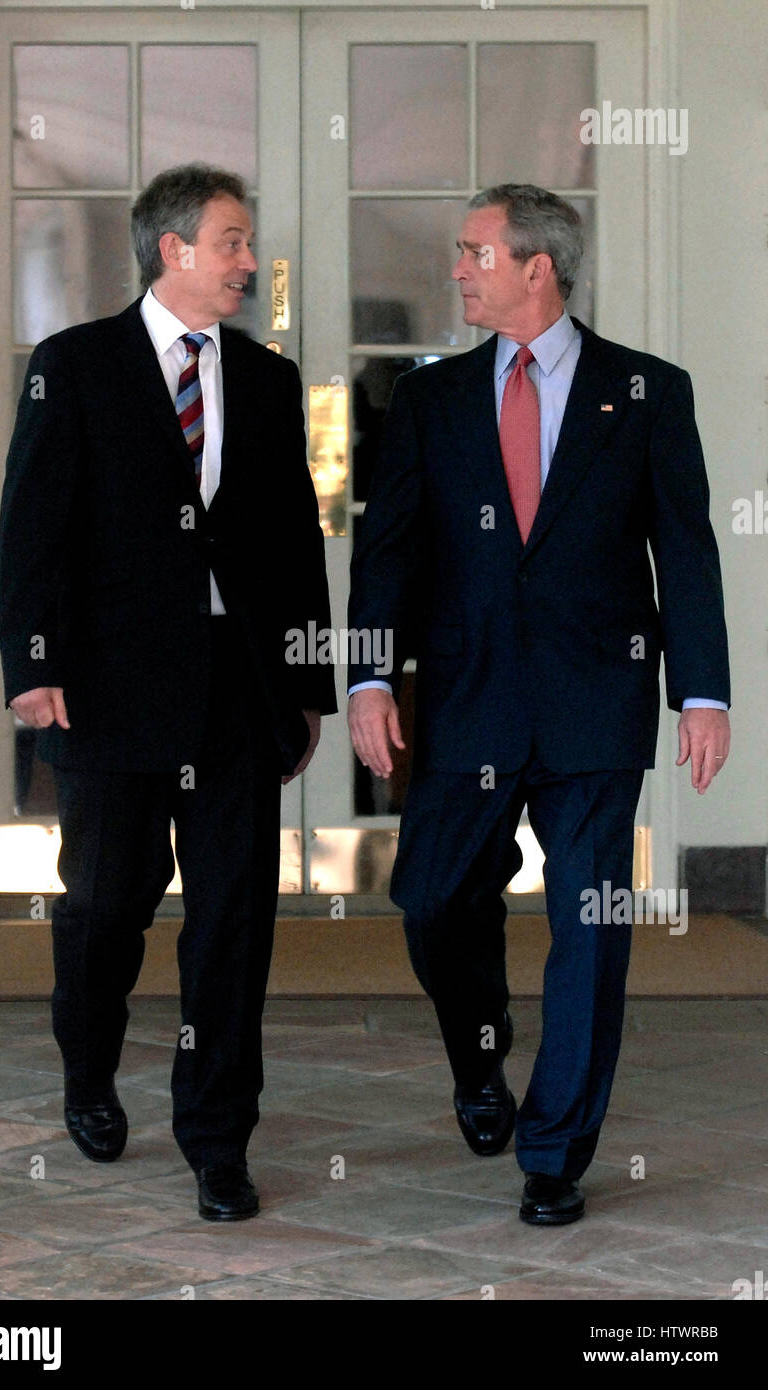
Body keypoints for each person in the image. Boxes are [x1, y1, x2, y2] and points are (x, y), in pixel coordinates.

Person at [347, 184, 730, 1225]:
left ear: (536, 268)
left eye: (474, 252)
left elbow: (684, 550)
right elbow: (389, 554)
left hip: (597, 705)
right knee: (430, 900)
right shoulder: (429, 400)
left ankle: (555, 1152)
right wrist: (370, 675)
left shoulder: (648, 392)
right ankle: (482, 1059)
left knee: (590, 925)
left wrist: (702, 690)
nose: (458, 269)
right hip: (466, 701)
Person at [0, 163, 336, 1222]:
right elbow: (31, 531)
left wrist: (307, 684)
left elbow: (291, 546)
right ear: (173, 248)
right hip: (106, 692)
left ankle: (217, 1139)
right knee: (107, 906)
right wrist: (34, 666)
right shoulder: (76, 365)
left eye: (248, 242)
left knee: (233, 921)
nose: (248, 262)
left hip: (238, 693)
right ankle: (89, 1071)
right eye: (232, 241)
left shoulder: (270, 381)